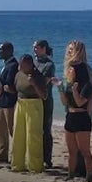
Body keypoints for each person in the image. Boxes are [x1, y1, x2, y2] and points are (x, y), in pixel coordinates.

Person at [53, 60, 92, 181]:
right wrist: (60, 88)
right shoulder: (69, 84)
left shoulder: (87, 86)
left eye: (71, 69)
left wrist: (75, 90)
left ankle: (89, 176)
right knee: (71, 150)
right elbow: (65, 102)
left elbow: (80, 102)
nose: (69, 71)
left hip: (82, 118)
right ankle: (70, 174)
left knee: (85, 151)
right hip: (70, 117)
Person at [11, 54, 50, 173]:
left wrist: (34, 84)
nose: (20, 67)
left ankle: (35, 166)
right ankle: (17, 164)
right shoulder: (18, 74)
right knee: (18, 135)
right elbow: (17, 89)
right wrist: (9, 90)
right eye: (20, 65)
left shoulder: (38, 76)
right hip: (20, 103)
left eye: (23, 65)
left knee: (33, 136)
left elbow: (44, 95)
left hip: (34, 104)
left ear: (29, 65)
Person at [32, 40, 56, 168]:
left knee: (46, 129)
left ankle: (47, 158)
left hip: (45, 100)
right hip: (33, 99)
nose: (34, 50)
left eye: (36, 47)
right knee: (34, 129)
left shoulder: (49, 64)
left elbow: (44, 81)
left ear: (43, 48)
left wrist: (33, 82)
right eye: (34, 47)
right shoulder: (34, 62)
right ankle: (36, 155)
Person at [0, 42, 19, 164]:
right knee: (1, 129)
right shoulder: (6, 65)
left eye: (1, 50)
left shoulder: (13, 65)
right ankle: (3, 153)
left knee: (12, 129)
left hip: (10, 102)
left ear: (9, 51)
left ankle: (17, 155)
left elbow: (9, 83)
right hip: (2, 101)